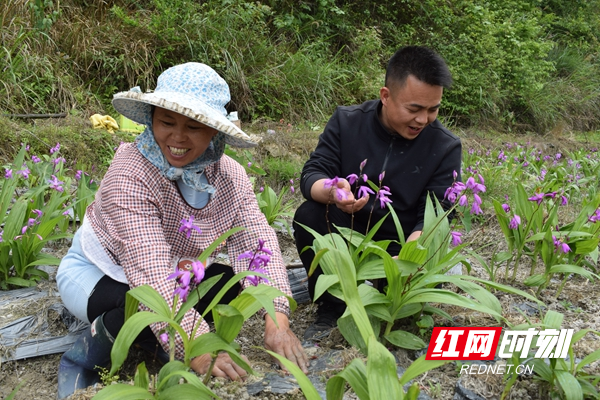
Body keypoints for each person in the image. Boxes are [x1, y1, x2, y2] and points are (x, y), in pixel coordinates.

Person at [56, 62, 308, 399]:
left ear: (215, 132)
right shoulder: (130, 172)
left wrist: (277, 320)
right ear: (151, 119)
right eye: (166, 122)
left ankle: (161, 341)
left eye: (194, 126)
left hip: (172, 271)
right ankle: (82, 358)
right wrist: (199, 348)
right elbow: (149, 274)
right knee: (140, 307)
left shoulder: (229, 175)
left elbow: (256, 242)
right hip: (100, 274)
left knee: (225, 283)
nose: (177, 137)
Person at [293, 46, 462, 340]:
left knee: (436, 241)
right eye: (414, 109)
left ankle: (397, 307)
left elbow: (437, 214)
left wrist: (410, 256)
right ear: (386, 96)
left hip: (402, 246)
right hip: (349, 233)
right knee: (308, 215)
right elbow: (312, 174)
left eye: (433, 109)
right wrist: (334, 191)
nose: (423, 120)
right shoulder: (348, 122)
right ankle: (331, 308)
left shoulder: (445, 146)